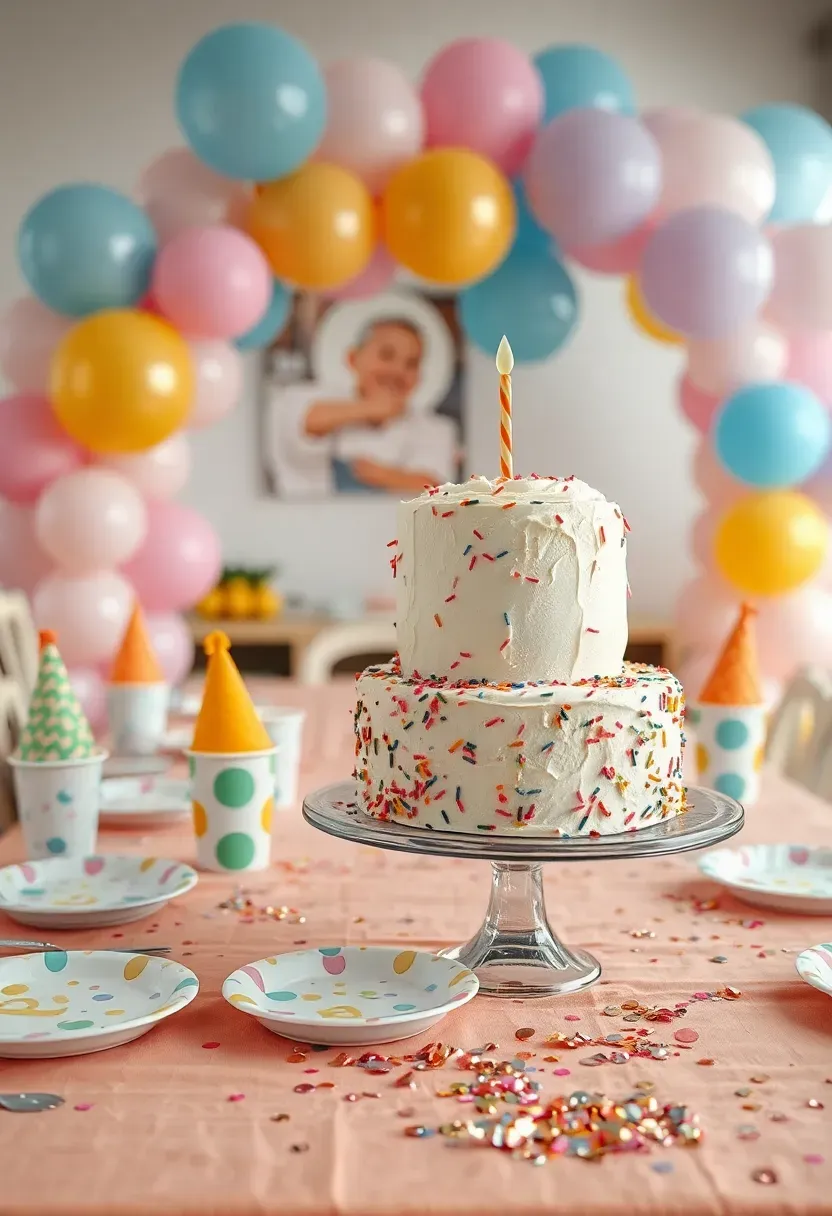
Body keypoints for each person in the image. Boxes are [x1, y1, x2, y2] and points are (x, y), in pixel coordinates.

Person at [266, 314, 457, 498]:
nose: (398, 370)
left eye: (411, 363)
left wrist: (380, 475)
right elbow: (304, 423)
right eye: (386, 356)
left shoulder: (437, 429)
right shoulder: (304, 398)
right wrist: (371, 408)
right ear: (352, 358)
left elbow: (436, 490)